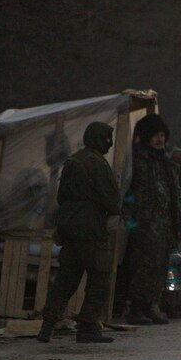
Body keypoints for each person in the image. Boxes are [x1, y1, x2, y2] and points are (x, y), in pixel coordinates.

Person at [37, 121, 121, 343]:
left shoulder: (72, 162)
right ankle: (88, 326)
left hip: (69, 228)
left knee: (66, 280)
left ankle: (47, 325)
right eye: (106, 139)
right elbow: (112, 202)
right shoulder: (99, 165)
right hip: (91, 231)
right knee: (99, 279)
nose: (109, 144)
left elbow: (61, 196)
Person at [122, 113, 181, 325]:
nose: (159, 140)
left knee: (160, 266)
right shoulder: (137, 160)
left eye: (162, 135)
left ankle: (151, 306)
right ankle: (136, 308)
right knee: (143, 265)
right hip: (144, 224)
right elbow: (128, 190)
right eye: (155, 136)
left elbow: (174, 191)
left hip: (164, 224)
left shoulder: (165, 161)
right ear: (146, 137)